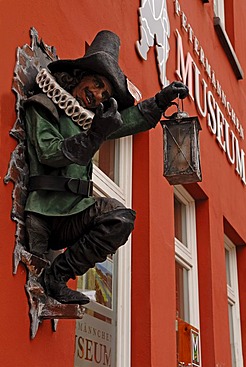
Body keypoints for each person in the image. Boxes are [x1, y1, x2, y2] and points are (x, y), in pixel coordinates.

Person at [24, 30, 189, 305]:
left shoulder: (89, 121)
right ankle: (49, 281)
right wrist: (93, 136)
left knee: (120, 218)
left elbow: (129, 120)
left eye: (105, 93)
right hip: (43, 213)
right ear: (78, 75)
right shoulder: (43, 105)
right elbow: (50, 151)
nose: (98, 95)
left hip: (70, 214)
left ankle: (57, 276)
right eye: (97, 83)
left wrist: (160, 101)